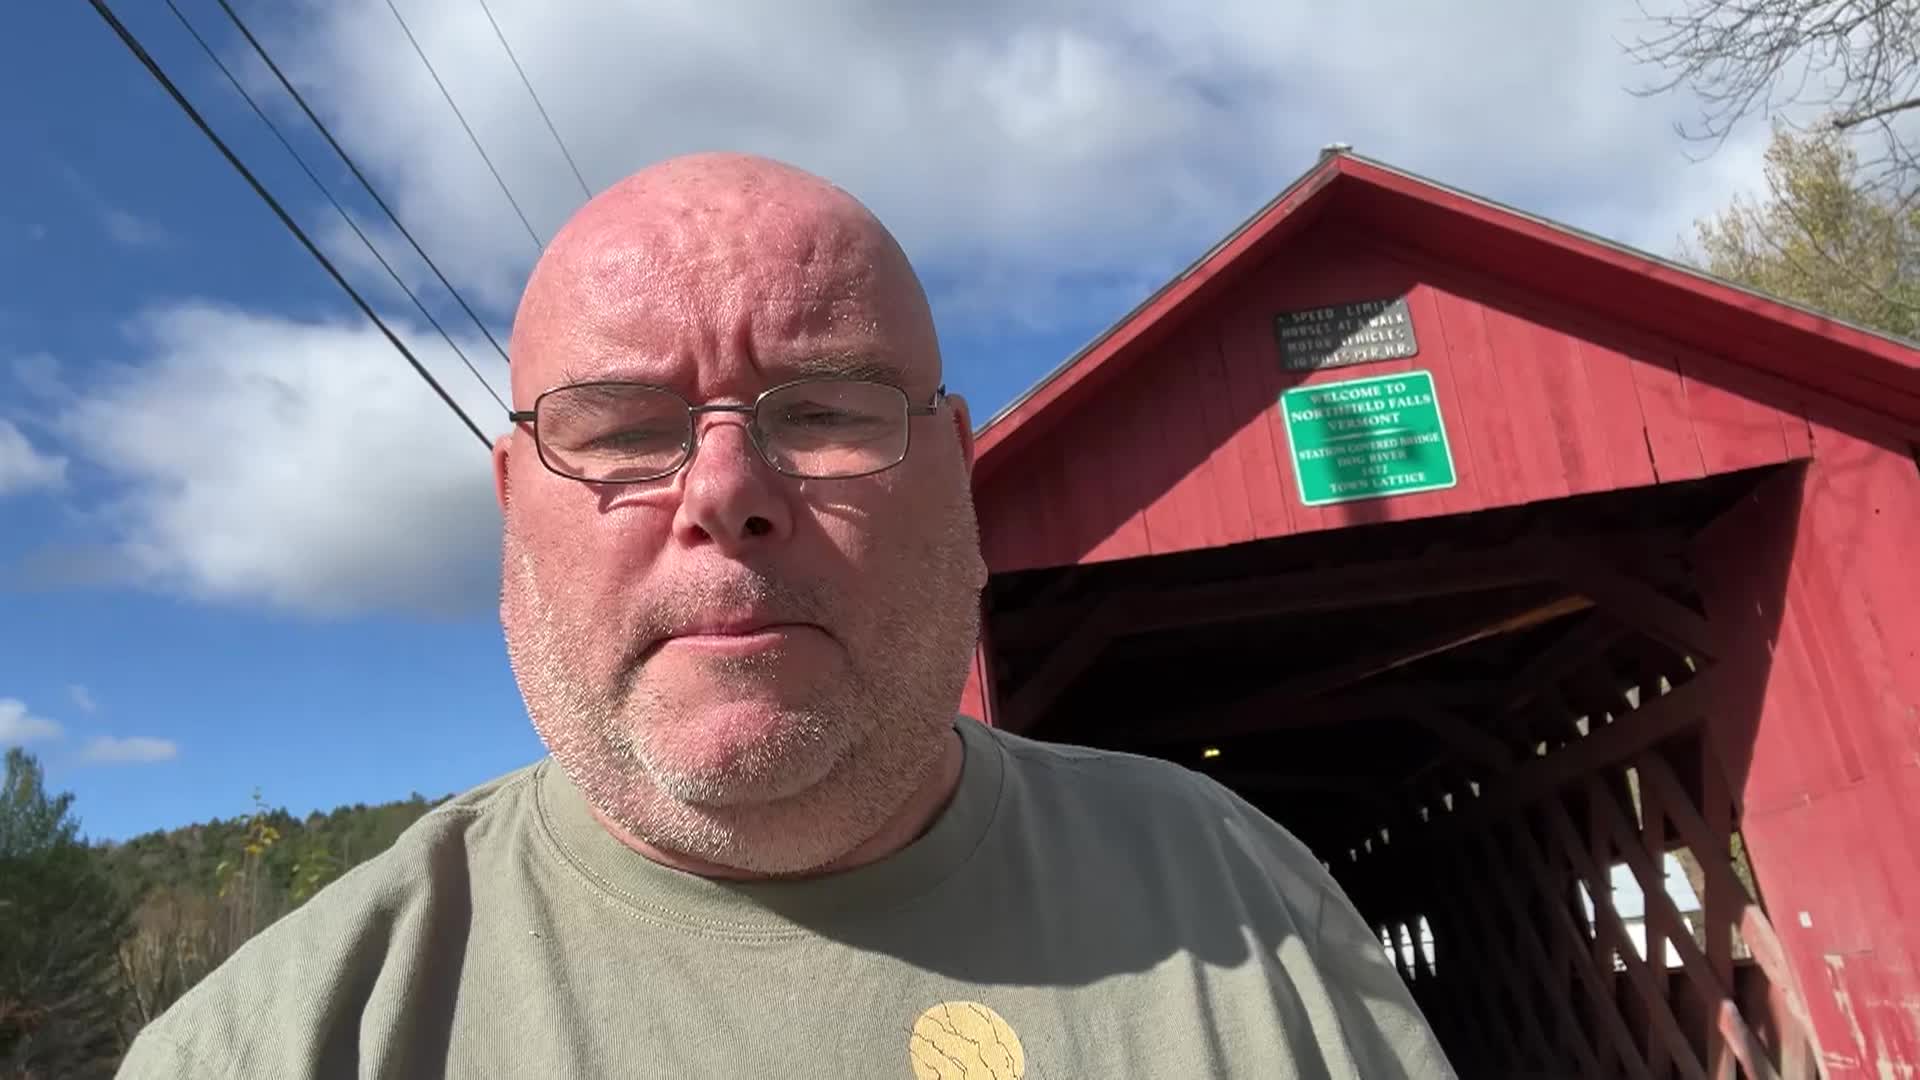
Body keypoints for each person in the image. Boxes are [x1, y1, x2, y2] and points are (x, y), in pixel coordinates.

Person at [116, 153, 1456, 1079]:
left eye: (823, 412)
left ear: (958, 476)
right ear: (513, 504)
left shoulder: (1241, 893)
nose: (724, 493)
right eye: (621, 430)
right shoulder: (282, 1044)